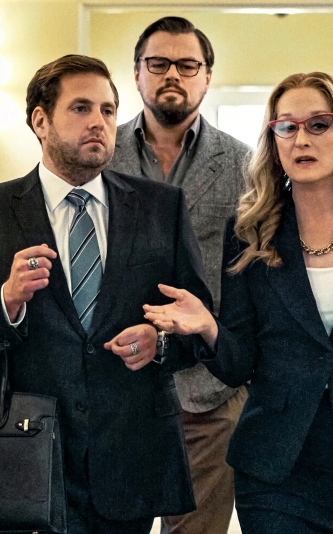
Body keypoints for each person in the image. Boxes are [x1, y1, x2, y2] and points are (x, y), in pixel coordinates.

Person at [143, 71, 333, 533]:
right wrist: (209, 327)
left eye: (318, 125)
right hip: (277, 473)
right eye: (286, 127)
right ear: (274, 140)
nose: (301, 139)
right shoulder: (248, 233)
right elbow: (239, 363)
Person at [0, 54, 213, 534]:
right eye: (81, 108)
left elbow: (199, 325)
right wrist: (7, 301)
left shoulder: (161, 207)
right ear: (40, 121)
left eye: (108, 110)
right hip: (24, 459)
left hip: (129, 459)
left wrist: (160, 342)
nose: (99, 123)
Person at [107, 16, 251, 534]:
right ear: (137, 73)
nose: (173, 74)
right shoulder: (102, 155)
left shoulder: (242, 163)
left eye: (188, 65)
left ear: (207, 76)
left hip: (209, 395)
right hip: (115, 389)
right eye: (159, 63)